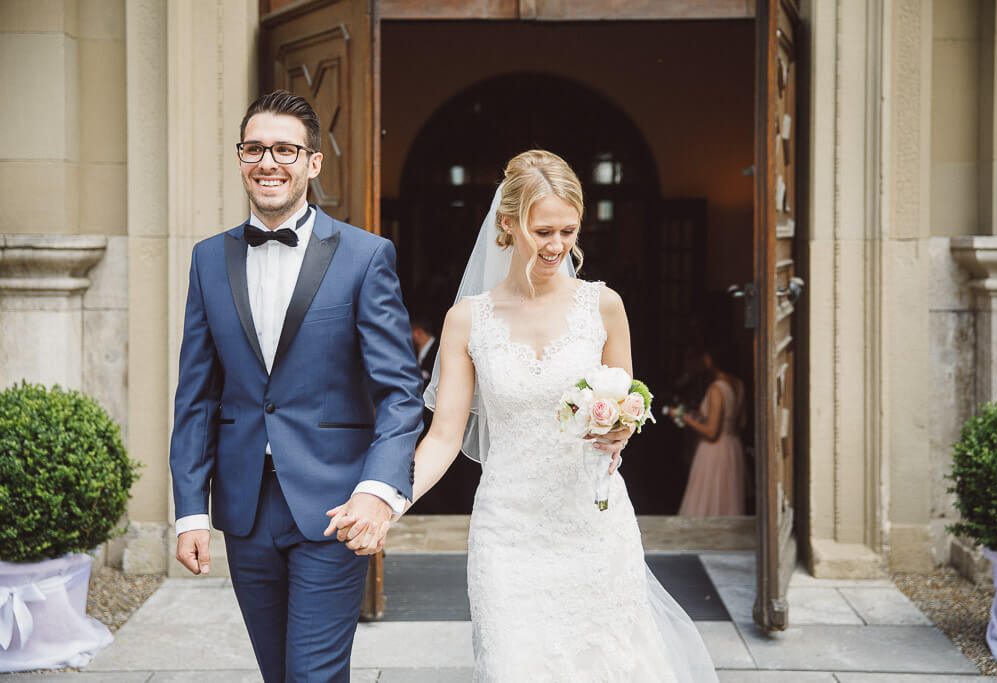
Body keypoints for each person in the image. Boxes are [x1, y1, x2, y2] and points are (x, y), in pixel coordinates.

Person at [329, 150, 718, 680]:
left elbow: (629, 402)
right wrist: (386, 502)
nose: (558, 246)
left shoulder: (604, 306)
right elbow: (443, 438)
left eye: (568, 230)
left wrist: (621, 427)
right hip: (507, 532)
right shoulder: (468, 321)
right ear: (507, 225)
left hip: (593, 527)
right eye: (543, 231)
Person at [168, 90, 422, 682]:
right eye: (254, 149)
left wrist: (379, 490)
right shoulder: (209, 259)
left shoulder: (365, 257)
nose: (268, 162)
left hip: (334, 504)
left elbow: (400, 393)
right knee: (279, 674)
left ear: (313, 162)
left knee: (313, 675)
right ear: (240, 159)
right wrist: (189, 512)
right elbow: (196, 394)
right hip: (245, 508)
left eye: (285, 149)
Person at [678, 343, 746, 517]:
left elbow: (711, 432)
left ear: (710, 359)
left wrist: (686, 419)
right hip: (733, 447)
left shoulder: (716, 388)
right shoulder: (739, 384)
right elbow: (742, 423)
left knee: (707, 501)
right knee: (726, 500)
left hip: (714, 450)